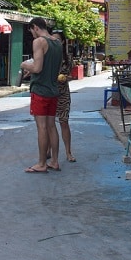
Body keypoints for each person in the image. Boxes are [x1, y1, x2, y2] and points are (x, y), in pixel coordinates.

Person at [19, 17, 62, 173]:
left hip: (40, 91)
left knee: (42, 127)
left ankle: (42, 163)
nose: (32, 35)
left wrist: (24, 64)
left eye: (31, 31)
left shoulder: (39, 42)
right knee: (52, 126)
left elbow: (37, 68)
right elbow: (52, 68)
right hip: (53, 90)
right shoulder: (57, 43)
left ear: (35, 27)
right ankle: (55, 161)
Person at [52, 30, 76, 163]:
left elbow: (69, 76)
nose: (54, 41)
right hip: (49, 93)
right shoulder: (46, 55)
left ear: (62, 42)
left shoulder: (67, 58)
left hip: (63, 94)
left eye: (57, 39)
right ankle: (49, 151)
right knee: (49, 124)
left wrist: (65, 78)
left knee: (64, 122)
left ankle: (68, 152)